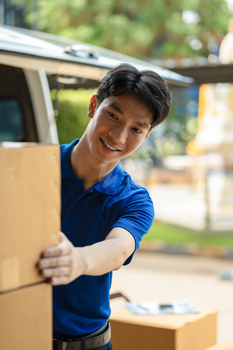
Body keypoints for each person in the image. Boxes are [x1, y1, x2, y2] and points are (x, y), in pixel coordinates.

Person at [38, 63, 171, 350]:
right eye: (113, 115)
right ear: (93, 105)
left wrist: (79, 260)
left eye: (136, 129)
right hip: (17, 335)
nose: (118, 137)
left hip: (89, 345)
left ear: (146, 136)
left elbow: (119, 249)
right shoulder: (35, 168)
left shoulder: (134, 200)